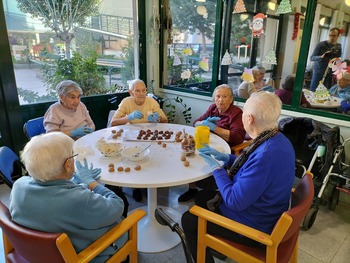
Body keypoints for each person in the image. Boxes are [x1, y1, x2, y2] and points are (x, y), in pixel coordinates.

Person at [181, 92, 295, 263]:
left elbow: (234, 200)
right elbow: (251, 164)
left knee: (188, 220)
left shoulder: (266, 155)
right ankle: (210, 243)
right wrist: (227, 158)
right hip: (267, 210)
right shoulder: (277, 139)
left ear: (249, 119)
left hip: (254, 227)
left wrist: (217, 169)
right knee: (202, 196)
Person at [9, 132, 128, 263]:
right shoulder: (79, 200)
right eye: (73, 156)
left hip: (34, 252)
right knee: (124, 216)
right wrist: (91, 183)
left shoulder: (18, 185)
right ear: (67, 165)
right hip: (84, 255)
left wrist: (73, 181)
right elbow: (117, 205)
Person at [44, 80, 129, 216]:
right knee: (91, 168)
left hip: (87, 143)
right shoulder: (54, 111)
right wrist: (72, 133)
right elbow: (51, 136)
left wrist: (88, 130)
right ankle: (100, 194)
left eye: (79, 97)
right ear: (61, 97)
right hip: (68, 149)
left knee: (109, 159)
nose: (77, 101)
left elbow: (91, 124)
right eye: (72, 97)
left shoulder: (81, 106)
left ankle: (114, 187)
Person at [178, 84, 246, 202]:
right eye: (218, 96)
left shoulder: (236, 113)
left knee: (200, 157)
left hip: (225, 148)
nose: (220, 100)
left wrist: (215, 128)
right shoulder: (213, 108)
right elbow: (195, 123)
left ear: (231, 99)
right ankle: (192, 189)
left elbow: (238, 137)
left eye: (225, 96)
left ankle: (216, 191)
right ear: (214, 98)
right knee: (191, 153)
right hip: (209, 141)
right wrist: (203, 122)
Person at [111, 79, 168, 202]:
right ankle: (135, 187)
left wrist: (157, 119)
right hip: (131, 137)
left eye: (144, 90)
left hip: (148, 136)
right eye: (137, 91)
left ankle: (151, 181)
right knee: (133, 160)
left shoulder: (151, 101)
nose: (141, 94)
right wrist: (128, 117)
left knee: (151, 159)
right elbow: (113, 123)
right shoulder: (126, 102)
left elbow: (165, 120)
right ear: (131, 92)